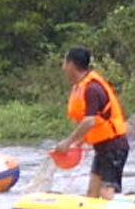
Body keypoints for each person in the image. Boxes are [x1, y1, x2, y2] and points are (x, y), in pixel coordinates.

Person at [55, 46, 130, 199]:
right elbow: (98, 120)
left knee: (106, 191)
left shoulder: (92, 89)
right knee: (92, 194)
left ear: (71, 64)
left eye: (64, 63)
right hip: (102, 147)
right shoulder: (82, 86)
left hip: (114, 147)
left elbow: (89, 121)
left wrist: (69, 142)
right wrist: (81, 142)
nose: (63, 68)